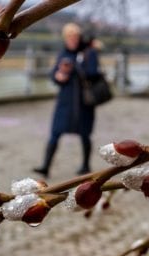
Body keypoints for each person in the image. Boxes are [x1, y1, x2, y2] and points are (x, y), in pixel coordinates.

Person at [33, 23, 101, 178]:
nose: (73, 40)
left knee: (85, 134)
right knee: (55, 133)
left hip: (84, 102)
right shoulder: (63, 53)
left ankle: (85, 165)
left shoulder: (89, 52)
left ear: (79, 37)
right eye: (69, 37)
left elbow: (94, 74)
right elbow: (53, 75)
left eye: (75, 36)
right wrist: (58, 76)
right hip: (65, 102)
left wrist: (76, 67)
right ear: (65, 38)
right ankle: (46, 166)